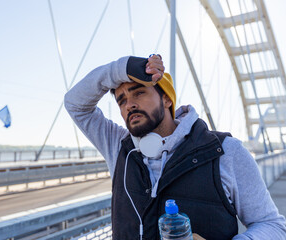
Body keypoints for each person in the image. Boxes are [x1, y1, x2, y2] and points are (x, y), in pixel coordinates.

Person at [64, 54, 286, 239]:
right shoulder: (119, 147)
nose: (129, 104)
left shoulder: (225, 151)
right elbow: (75, 104)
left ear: (167, 100)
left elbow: (273, 226)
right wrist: (123, 67)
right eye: (121, 100)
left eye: (139, 92)